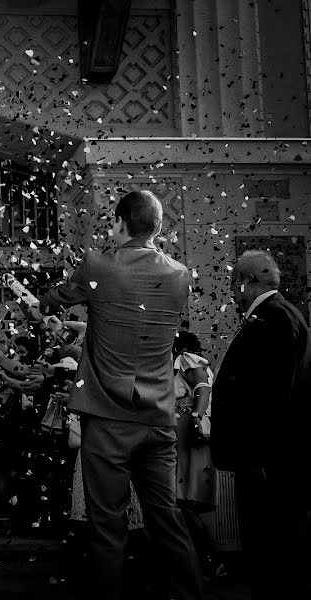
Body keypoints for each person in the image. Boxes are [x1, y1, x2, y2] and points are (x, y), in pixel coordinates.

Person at [37, 190, 202, 600]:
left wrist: (44, 304)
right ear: (159, 227)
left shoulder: (99, 264)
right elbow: (133, 321)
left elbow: (56, 299)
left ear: (119, 222)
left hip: (109, 417)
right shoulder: (180, 274)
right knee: (167, 519)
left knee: (107, 525)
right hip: (158, 418)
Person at [211, 250, 311, 598]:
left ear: (247, 282)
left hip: (269, 468)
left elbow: (269, 396)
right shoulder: (283, 315)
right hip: (275, 464)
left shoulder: (271, 321)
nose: (232, 295)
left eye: (232, 285)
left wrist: (255, 461)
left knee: (271, 556)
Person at [171, 330, 225, 581]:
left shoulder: (185, 359)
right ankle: (204, 563)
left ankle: (211, 562)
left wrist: (195, 416)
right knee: (183, 503)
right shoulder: (187, 362)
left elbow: (202, 386)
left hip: (187, 434)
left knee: (183, 502)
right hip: (185, 435)